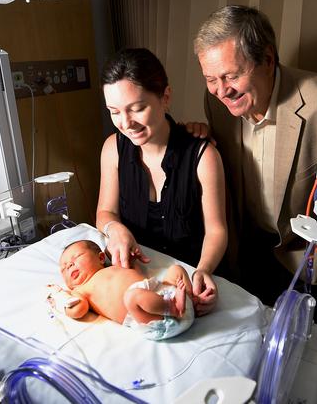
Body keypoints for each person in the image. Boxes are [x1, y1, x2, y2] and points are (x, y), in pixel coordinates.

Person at [192, 5, 317, 307]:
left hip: (305, 255)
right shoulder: (217, 104)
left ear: (267, 59)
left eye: (231, 76)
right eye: (211, 79)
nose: (221, 91)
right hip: (245, 249)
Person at [96, 48, 227, 316]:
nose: (125, 123)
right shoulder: (113, 149)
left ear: (165, 97)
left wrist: (203, 269)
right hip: (138, 283)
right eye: (114, 111)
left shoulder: (204, 156)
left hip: (188, 278)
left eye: (137, 109)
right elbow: (104, 212)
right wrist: (113, 228)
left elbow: (217, 231)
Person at [50, 240, 194, 341]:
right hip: (151, 319)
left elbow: (139, 276)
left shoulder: (115, 267)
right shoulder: (80, 290)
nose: (69, 265)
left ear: (101, 257)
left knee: (177, 270)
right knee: (132, 297)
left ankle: (193, 301)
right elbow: (77, 310)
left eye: (76, 257)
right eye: (64, 268)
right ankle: (173, 308)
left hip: (161, 293)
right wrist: (61, 298)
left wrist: (133, 261)